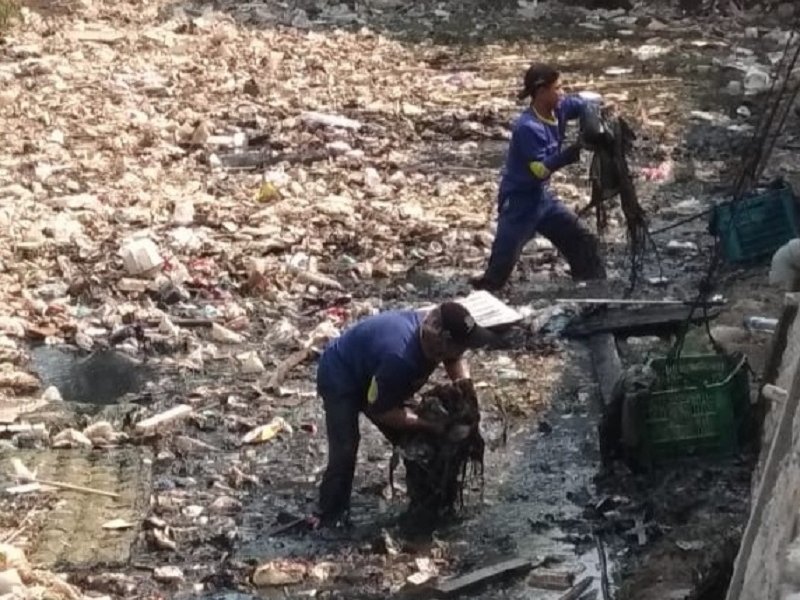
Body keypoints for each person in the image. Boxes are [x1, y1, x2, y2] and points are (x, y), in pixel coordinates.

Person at [311, 301, 495, 528]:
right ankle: (328, 515)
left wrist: (464, 386)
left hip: (380, 375)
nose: (462, 352)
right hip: (341, 377)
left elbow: (454, 359)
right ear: (443, 343)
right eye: (460, 346)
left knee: (421, 446)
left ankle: (430, 504)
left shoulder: (434, 332)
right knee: (346, 447)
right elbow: (379, 411)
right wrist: (428, 425)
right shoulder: (401, 358)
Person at [471, 63, 607, 292]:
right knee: (501, 265)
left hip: (542, 198)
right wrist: (568, 154)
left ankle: (591, 287)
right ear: (542, 91)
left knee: (580, 239)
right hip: (519, 202)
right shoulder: (528, 127)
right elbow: (539, 170)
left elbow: (585, 101)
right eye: (557, 88)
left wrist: (591, 116)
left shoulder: (559, 109)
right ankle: (484, 297)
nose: (561, 93)